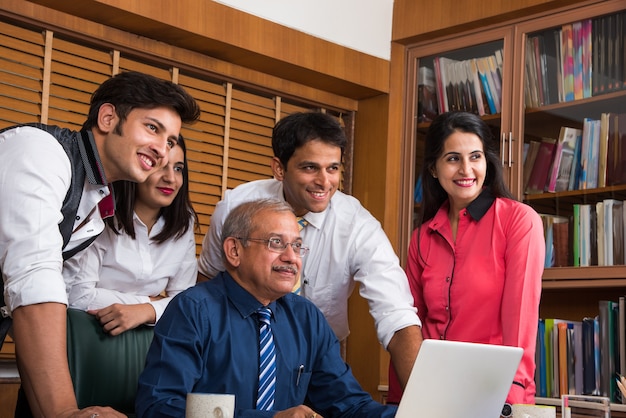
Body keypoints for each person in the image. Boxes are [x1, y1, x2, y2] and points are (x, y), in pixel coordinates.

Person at [0, 71, 200, 417]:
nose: (163, 152)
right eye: (153, 128)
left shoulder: (96, 202)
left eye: (170, 140)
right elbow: (35, 280)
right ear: (108, 118)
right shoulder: (39, 150)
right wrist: (66, 411)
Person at [198, 111, 422, 389]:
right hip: (237, 350)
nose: (325, 182)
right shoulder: (237, 206)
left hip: (317, 358)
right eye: (309, 168)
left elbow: (396, 315)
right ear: (280, 168)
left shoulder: (357, 225)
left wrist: (427, 405)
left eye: (333, 168)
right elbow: (207, 280)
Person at [136, 198, 397, 417]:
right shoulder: (192, 311)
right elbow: (159, 407)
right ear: (234, 250)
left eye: (296, 246)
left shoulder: (307, 318)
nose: (291, 257)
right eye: (276, 243)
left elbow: (349, 406)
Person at [387, 111, 544, 406]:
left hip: (490, 391)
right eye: (452, 158)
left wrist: (513, 401)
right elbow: (409, 323)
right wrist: (399, 400)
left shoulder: (518, 221)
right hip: (429, 391)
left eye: (475, 156)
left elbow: (520, 320)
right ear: (433, 168)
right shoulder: (421, 238)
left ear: (487, 162)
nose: (466, 169)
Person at [63, 135, 198, 335]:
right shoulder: (101, 214)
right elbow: (77, 296)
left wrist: (146, 311)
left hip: (149, 344)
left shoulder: (184, 225)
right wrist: (151, 303)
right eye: (160, 166)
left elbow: (187, 302)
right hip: (88, 336)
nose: (171, 178)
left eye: (178, 168)